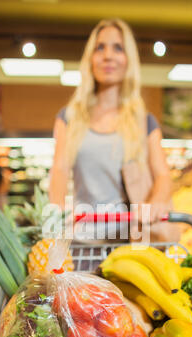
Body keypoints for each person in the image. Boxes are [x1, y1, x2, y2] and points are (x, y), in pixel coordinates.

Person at [49, 18, 179, 242]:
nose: (108, 56)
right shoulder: (69, 118)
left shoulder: (144, 122)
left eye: (118, 48)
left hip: (130, 241)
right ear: (90, 59)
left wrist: (156, 202)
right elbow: (59, 170)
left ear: (129, 60)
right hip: (82, 239)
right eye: (100, 48)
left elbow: (163, 175)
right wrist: (56, 212)